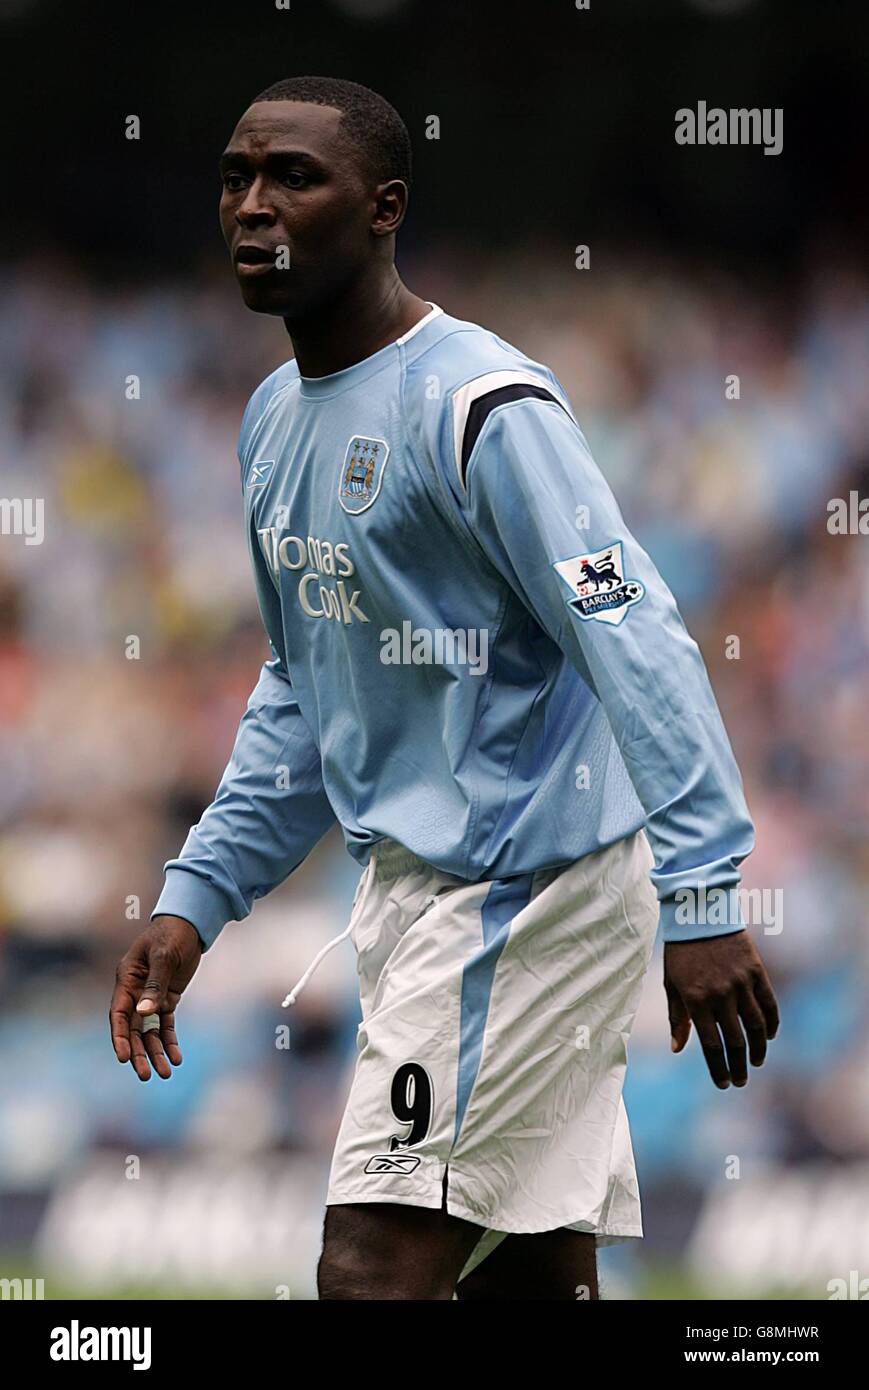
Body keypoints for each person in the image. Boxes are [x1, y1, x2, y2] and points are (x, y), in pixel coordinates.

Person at [109, 76, 779, 1301]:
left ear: (383, 207)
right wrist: (197, 893)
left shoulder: (481, 405)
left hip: (519, 895)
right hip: (418, 896)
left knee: (371, 1268)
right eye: (234, 177)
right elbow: (304, 688)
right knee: (528, 1272)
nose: (254, 206)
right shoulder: (271, 420)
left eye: (294, 178)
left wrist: (703, 891)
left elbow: (634, 636)